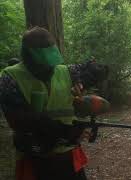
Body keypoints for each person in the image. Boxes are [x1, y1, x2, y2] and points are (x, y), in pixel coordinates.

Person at [0, 27, 107, 180]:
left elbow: (89, 70)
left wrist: (96, 71)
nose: (50, 68)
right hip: (35, 155)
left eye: (51, 63)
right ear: (29, 57)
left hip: (68, 155)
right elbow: (18, 120)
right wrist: (63, 131)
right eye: (44, 64)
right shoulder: (10, 78)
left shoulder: (65, 72)